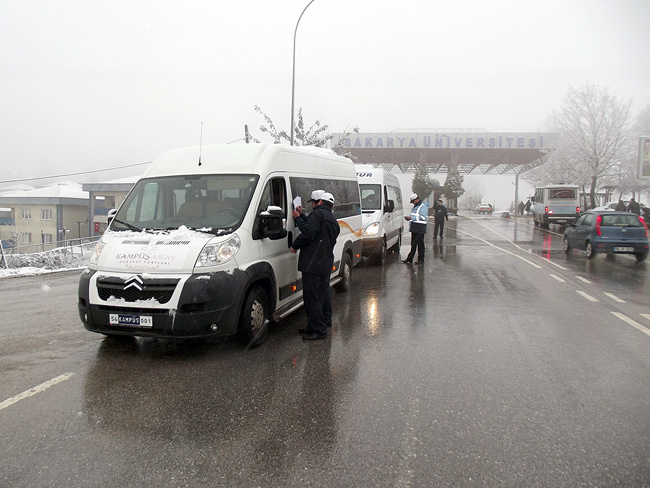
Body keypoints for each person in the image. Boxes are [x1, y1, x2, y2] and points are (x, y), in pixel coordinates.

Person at [291, 190, 340, 341]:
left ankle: (318, 331)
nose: (312, 205)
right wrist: (303, 216)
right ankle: (323, 322)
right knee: (323, 294)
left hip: (313, 263)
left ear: (318, 202)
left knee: (312, 297)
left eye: (312, 202)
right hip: (324, 262)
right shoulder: (332, 219)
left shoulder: (317, 215)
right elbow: (317, 230)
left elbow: (308, 232)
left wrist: (295, 245)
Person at [402, 193, 429, 264]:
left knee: (419, 244)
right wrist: (410, 218)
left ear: (417, 199)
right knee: (413, 244)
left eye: (413, 201)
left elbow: (423, 217)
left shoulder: (423, 207)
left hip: (420, 227)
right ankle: (410, 259)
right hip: (414, 227)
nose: (413, 203)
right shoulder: (415, 207)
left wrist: (411, 218)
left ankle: (420, 259)